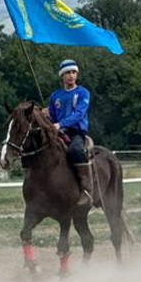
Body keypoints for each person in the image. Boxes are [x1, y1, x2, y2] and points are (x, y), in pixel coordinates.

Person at [48, 59, 95, 206]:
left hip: (76, 132)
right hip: (58, 132)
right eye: (68, 72)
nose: (71, 76)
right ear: (62, 75)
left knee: (75, 150)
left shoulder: (83, 93)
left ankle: (86, 189)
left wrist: (60, 124)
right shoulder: (54, 96)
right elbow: (53, 116)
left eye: (74, 72)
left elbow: (79, 115)